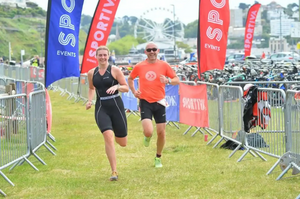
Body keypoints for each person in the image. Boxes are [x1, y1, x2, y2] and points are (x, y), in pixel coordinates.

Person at [128, 42, 180, 168]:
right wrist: (135, 91)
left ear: (158, 51)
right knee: (148, 131)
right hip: (145, 102)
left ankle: (158, 157)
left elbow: (176, 80)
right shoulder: (140, 66)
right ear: (145, 52)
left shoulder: (164, 65)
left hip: (160, 102)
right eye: (149, 50)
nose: (152, 52)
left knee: (161, 132)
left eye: (154, 49)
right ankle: (147, 136)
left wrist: (167, 80)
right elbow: (130, 78)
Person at [86, 46, 129, 181]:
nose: (103, 57)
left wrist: (117, 86)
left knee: (122, 142)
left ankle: (118, 136)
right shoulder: (91, 73)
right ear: (96, 56)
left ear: (108, 56)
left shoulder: (115, 70)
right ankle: (114, 171)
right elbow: (91, 88)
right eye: (100, 55)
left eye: (105, 55)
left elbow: (126, 87)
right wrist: (89, 101)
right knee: (108, 136)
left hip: (116, 105)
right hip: (101, 107)